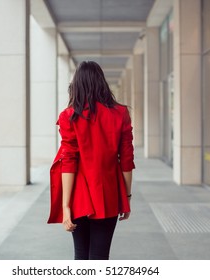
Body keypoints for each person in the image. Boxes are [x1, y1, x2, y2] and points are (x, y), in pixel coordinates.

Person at [48, 61, 135, 260]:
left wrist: (66, 205)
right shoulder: (120, 113)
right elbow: (127, 160)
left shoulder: (69, 116)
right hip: (109, 194)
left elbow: (68, 161)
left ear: (76, 85)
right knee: (100, 256)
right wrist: (127, 198)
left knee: (81, 253)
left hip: (78, 195)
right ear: (101, 83)